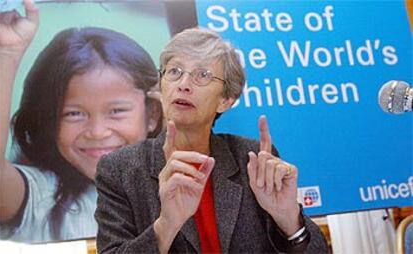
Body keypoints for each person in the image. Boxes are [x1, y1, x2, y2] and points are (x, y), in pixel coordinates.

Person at [95, 27, 328, 253]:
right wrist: (166, 225)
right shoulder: (120, 170)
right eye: (174, 71)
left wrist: (288, 219)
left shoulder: (253, 161)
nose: (183, 85)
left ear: (225, 100)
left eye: (202, 75)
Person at [0, 0, 162, 243]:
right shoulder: (40, 196)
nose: (97, 132)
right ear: (48, 121)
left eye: (116, 110)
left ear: (152, 115)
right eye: (74, 114)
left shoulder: (172, 190)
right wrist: (7, 54)